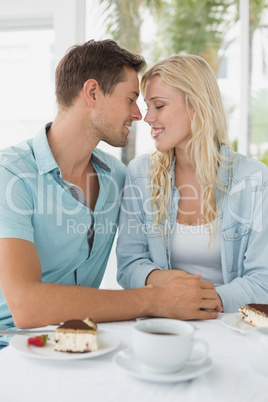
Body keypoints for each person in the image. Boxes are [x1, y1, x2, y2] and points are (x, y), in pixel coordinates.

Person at [0, 41, 220, 339]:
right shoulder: (11, 175)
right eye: (131, 99)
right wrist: (154, 299)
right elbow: (26, 307)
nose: (138, 114)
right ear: (92, 93)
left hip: (80, 342)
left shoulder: (118, 177)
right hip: (9, 345)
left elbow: (138, 253)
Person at [116, 54, 268, 313]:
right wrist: (172, 295)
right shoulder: (140, 173)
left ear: (195, 106)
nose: (147, 117)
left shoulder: (254, 179)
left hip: (232, 326)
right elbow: (129, 265)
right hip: (164, 323)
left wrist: (199, 300)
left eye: (159, 105)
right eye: (146, 105)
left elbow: (263, 280)